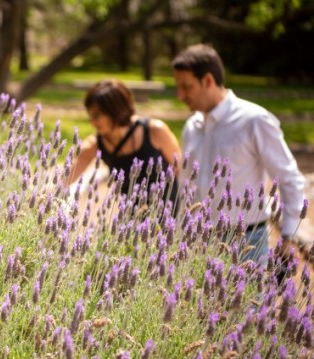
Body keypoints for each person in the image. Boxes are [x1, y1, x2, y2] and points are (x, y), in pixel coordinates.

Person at [171, 44, 306, 271]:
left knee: (247, 307)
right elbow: (187, 186)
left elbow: (289, 177)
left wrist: (289, 236)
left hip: (247, 242)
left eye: (186, 87)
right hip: (199, 243)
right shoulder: (191, 127)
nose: (180, 95)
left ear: (208, 81)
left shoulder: (254, 120)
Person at [69, 79, 181, 210]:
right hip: (131, 219)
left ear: (116, 111)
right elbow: (66, 178)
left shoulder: (155, 130)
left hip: (168, 214)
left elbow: (178, 167)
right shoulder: (95, 145)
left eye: (97, 115)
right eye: (90, 114)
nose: (91, 121)